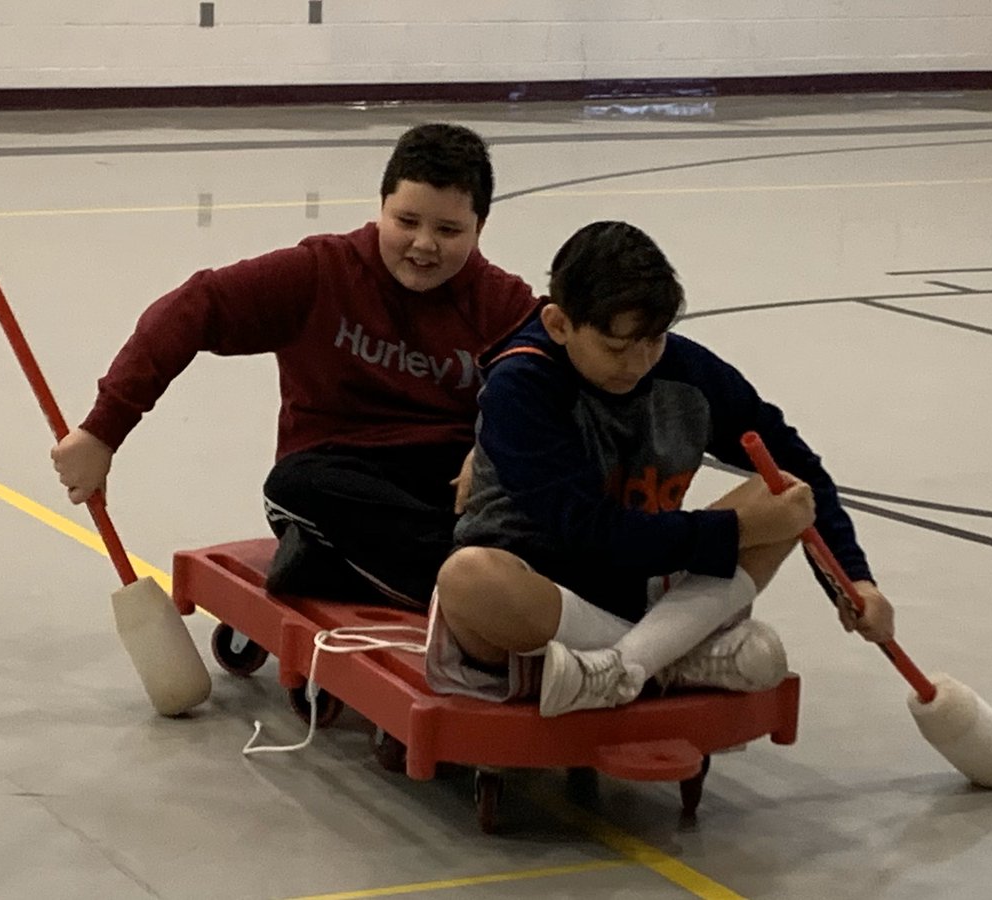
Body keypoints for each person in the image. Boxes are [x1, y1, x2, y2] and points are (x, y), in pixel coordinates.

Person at [50, 123, 538, 609]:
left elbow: (561, 378)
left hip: (445, 487)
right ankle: (467, 588)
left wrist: (494, 439)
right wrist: (103, 431)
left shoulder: (503, 305)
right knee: (296, 486)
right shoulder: (321, 273)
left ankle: (350, 570)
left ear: (480, 229)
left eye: (448, 230)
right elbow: (194, 307)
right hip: (339, 476)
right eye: (406, 221)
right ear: (381, 207)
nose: (423, 244)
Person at [425, 220, 895, 717]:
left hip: (644, 585)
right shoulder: (521, 386)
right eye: (616, 346)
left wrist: (856, 582)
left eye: (653, 341)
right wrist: (733, 530)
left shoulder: (685, 370)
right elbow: (586, 532)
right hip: (544, 598)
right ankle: (674, 658)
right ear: (561, 324)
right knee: (468, 577)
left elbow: (799, 466)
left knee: (787, 496)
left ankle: (623, 667)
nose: (638, 362)